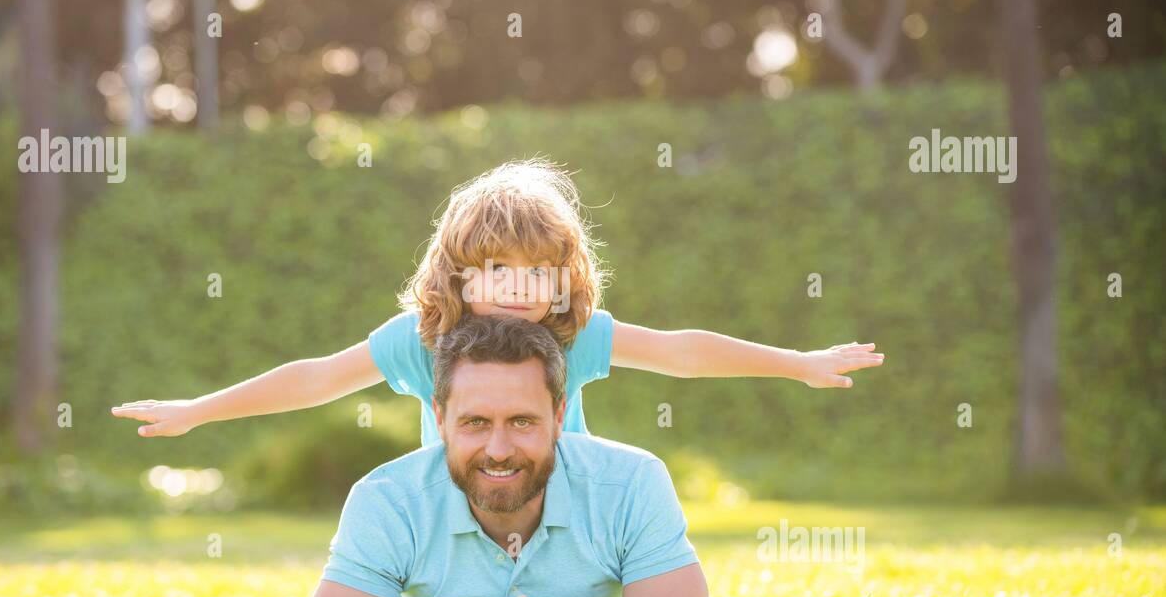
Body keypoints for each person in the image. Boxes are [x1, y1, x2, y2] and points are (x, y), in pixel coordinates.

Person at [112, 158, 883, 445]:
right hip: (459, 510)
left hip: (560, 510)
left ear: (563, 280)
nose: (517, 287)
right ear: (458, 277)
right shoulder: (418, 341)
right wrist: (196, 409)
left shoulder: (575, 335)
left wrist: (798, 363)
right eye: (495, 267)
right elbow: (316, 377)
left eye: (536, 270)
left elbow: (681, 349)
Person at [301, 313, 715, 597]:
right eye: (475, 422)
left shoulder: (632, 483)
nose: (498, 451)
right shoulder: (386, 501)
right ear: (440, 419)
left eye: (522, 421)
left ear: (558, 415)